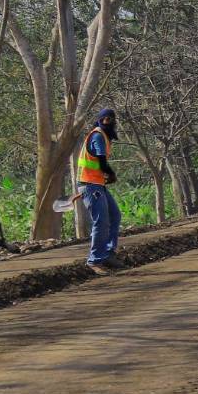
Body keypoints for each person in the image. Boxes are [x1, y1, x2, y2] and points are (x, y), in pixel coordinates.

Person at [77, 108, 122, 274]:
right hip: (89, 185)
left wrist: (106, 177)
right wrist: (111, 174)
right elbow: (102, 163)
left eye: (111, 118)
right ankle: (94, 260)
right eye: (106, 119)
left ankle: (108, 254)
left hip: (97, 184)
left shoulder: (103, 136)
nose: (108, 121)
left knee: (114, 215)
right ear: (101, 120)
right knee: (101, 221)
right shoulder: (97, 136)